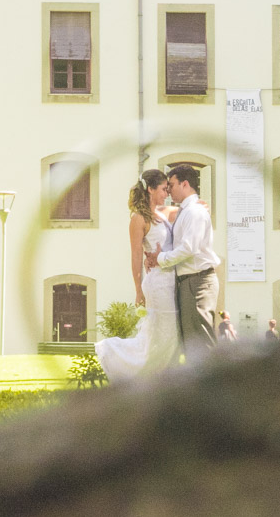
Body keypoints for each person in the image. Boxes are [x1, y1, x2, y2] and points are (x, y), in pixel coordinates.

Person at [95, 169, 183, 382]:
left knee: (169, 336)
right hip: (156, 284)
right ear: (151, 189)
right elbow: (136, 256)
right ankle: (113, 353)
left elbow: (191, 207)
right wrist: (138, 289)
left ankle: (160, 379)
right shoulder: (138, 218)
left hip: (170, 281)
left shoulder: (163, 212)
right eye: (163, 189)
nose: (167, 193)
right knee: (160, 337)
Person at [146, 164, 221, 361]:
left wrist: (160, 259)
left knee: (201, 340)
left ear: (185, 184)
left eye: (171, 184)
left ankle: (213, 390)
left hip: (197, 281)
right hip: (188, 282)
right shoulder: (185, 210)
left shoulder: (194, 212)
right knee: (191, 342)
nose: (168, 190)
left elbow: (189, 248)